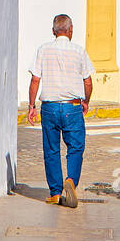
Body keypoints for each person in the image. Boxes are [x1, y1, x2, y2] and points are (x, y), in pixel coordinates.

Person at [27, 14, 94, 208]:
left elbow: (35, 80)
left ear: (53, 31)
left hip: (50, 107)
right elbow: (88, 81)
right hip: (72, 106)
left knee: (51, 149)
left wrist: (31, 106)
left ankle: (55, 192)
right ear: (71, 30)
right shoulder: (79, 51)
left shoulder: (43, 50)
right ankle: (71, 179)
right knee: (76, 146)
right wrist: (86, 101)